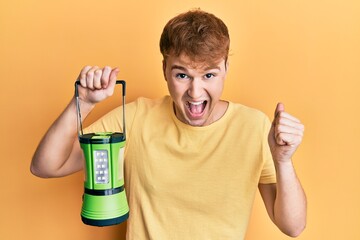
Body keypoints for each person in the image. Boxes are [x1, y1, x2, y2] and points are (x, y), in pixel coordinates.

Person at [31, 9, 306, 239]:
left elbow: (292, 226)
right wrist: (83, 101)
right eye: (182, 75)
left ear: (225, 70)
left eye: (209, 75)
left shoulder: (253, 126)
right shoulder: (137, 118)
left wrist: (283, 160)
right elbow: (46, 166)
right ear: (165, 69)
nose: (195, 92)